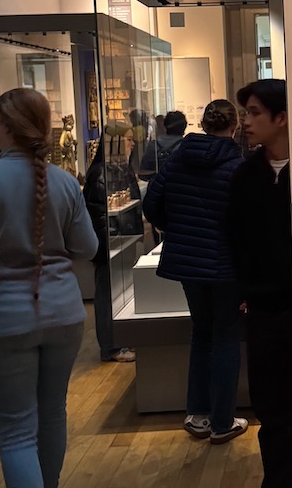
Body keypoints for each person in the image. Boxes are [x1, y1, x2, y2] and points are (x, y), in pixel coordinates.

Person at [0, 88, 98, 488]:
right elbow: (87, 247)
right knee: (52, 415)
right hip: (63, 312)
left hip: (3, 318)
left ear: (3, 126)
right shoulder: (63, 182)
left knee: (15, 430)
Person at [144, 99, 246, 443]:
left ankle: (198, 415)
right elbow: (245, 223)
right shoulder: (237, 167)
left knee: (201, 333)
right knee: (226, 337)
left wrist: (178, 230)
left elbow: (151, 205)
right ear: (235, 127)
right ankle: (222, 422)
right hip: (227, 264)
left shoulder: (177, 160)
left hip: (189, 261)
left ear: (202, 125)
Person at [226, 79, 292, 488]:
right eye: (245, 113)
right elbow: (236, 240)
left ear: (282, 117)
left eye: (255, 112)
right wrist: (246, 292)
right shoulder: (245, 176)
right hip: (266, 308)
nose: (246, 122)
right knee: (271, 410)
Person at [82, 135, 137, 363]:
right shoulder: (101, 173)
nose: (132, 144)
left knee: (118, 293)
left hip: (119, 239)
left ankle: (119, 341)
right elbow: (99, 214)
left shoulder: (119, 168)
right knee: (106, 295)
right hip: (109, 243)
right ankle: (110, 346)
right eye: (128, 139)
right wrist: (111, 240)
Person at [138, 110, 187, 180]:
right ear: (184, 126)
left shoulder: (153, 145)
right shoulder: (186, 146)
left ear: (165, 125)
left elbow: (143, 174)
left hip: (158, 185)